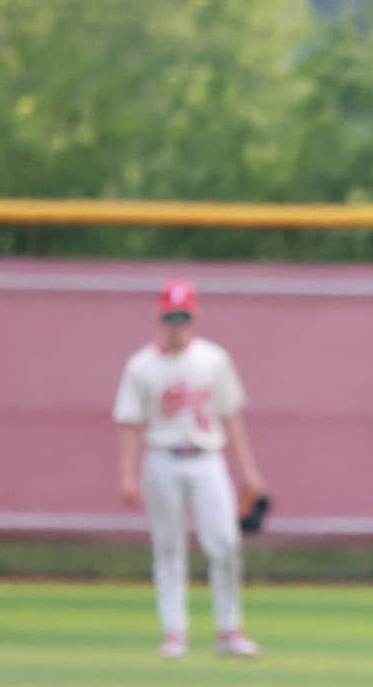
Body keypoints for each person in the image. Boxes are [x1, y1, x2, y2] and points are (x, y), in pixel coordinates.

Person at [113, 279, 267, 659]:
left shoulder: (213, 359)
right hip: (162, 458)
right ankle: (174, 633)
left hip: (206, 458)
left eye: (183, 316)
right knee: (168, 549)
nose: (176, 323)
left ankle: (229, 630)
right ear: (159, 316)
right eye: (171, 316)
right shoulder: (141, 366)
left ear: (193, 317)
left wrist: (249, 472)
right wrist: (127, 475)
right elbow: (130, 424)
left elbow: (231, 418)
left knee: (226, 543)